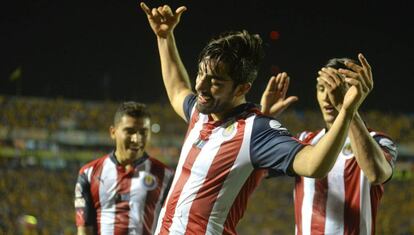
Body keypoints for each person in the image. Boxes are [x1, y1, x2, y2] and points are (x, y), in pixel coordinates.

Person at [140, 3, 372, 234]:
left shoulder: (256, 130)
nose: (200, 85)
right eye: (200, 73)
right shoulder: (202, 113)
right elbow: (177, 89)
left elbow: (313, 165)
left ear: (242, 89)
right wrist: (164, 37)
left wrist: (347, 111)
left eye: (215, 82)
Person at [262, 57, 397, 235]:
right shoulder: (304, 140)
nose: (327, 96)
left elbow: (376, 174)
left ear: (353, 93)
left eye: (337, 89)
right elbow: (258, 170)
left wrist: (346, 108)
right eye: (321, 88)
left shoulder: (379, 141)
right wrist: (263, 119)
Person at [74, 101, 174, 235]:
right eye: (130, 131)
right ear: (113, 132)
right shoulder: (89, 173)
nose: (136, 139)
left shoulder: (166, 176)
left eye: (143, 132)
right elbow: (84, 229)